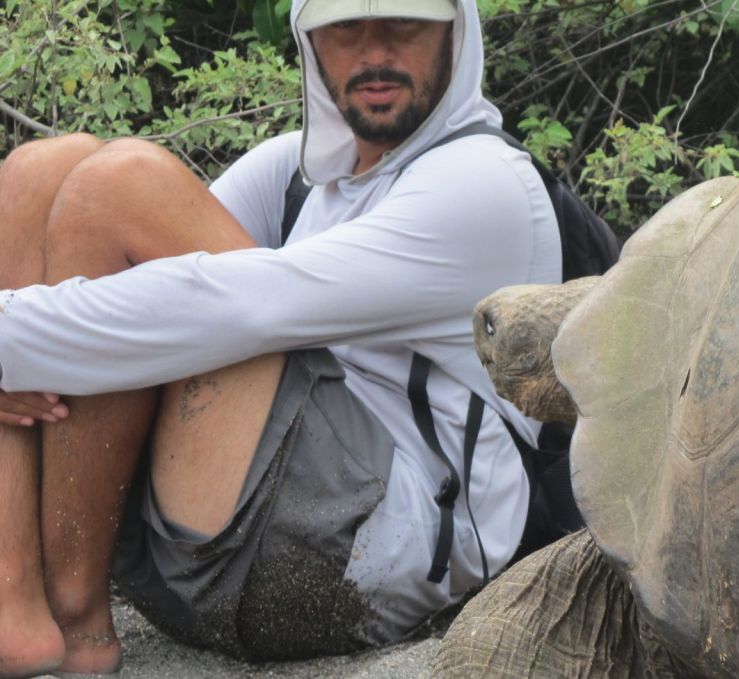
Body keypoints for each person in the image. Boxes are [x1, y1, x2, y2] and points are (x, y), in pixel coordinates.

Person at [0, 0, 561, 674]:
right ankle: (14, 598)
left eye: (402, 26)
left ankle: (77, 614)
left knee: (120, 185)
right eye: (345, 28)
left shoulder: (481, 183)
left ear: (456, 33)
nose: (373, 52)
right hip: (229, 529)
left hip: (369, 555)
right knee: (40, 171)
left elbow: (231, 307)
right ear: (309, 38)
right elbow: (123, 266)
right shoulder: (301, 171)